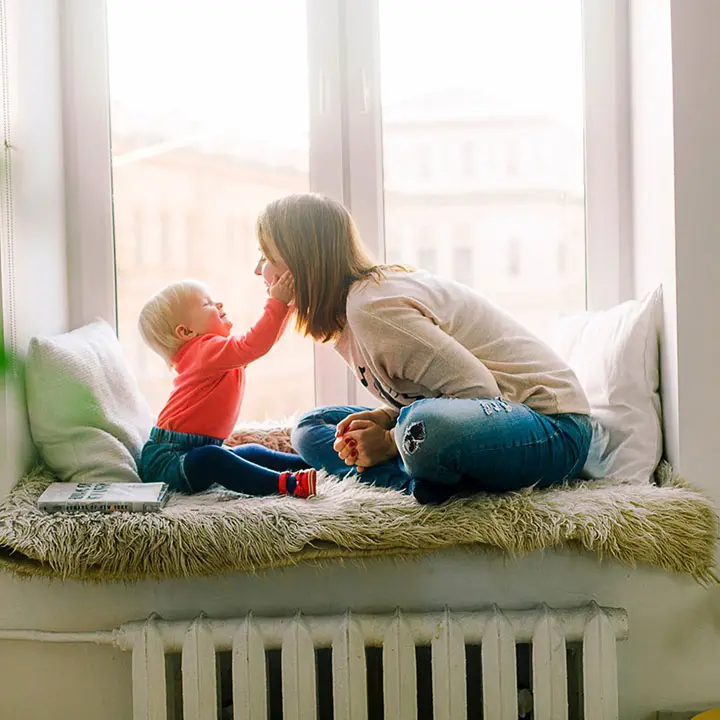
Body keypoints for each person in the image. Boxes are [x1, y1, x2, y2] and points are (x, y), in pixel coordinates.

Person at [253, 193, 592, 504]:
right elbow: (433, 396)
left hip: (552, 428)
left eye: (267, 256)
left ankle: (411, 473)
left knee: (423, 428)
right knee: (312, 426)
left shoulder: (372, 308)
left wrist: (388, 441)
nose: (258, 270)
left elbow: (480, 393)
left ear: (303, 263)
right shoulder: (349, 317)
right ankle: (419, 480)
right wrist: (388, 420)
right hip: (481, 421)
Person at [137, 276, 317, 498]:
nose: (219, 304)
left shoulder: (213, 354)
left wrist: (287, 307)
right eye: (207, 304)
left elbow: (261, 344)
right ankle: (287, 484)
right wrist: (277, 303)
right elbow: (254, 344)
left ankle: (311, 464)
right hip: (168, 460)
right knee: (213, 459)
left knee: (250, 452)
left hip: (193, 449)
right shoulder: (205, 351)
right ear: (186, 332)